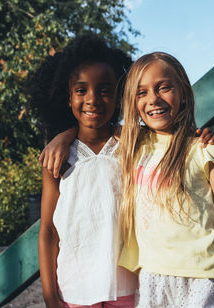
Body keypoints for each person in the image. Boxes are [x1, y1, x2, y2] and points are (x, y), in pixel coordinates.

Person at [118, 52, 214, 308]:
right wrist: (63, 136)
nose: (153, 99)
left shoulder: (205, 149)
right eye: (141, 92)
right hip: (152, 279)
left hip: (205, 280)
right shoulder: (133, 144)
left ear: (183, 93)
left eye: (164, 88)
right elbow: (90, 130)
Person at [30, 33, 137, 308]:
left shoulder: (132, 144)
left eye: (104, 89)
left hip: (126, 286)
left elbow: (171, 138)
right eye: (81, 90)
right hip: (73, 288)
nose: (93, 99)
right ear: (67, 97)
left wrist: (200, 134)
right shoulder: (57, 157)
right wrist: (50, 296)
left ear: (119, 95)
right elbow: (48, 232)